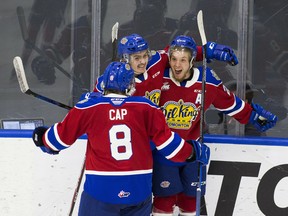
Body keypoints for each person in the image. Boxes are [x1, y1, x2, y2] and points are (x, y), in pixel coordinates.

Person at [32, 61, 210, 216]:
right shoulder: (147, 107)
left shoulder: (88, 107)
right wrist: (194, 151)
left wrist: (41, 137)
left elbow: (56, 141)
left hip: (101, 191)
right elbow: (172, 149)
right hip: (138, 191)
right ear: (130, 85)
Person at [151, 35, 278, 215]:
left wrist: (254, 117)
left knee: (189, 201)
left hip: (193, 150)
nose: (177, 65)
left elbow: (230, 103)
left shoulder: (207, 80)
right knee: (164, 200)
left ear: (192, 60)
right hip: (165, 150)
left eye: (183, 60)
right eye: (173, 59)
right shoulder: (158, 77)